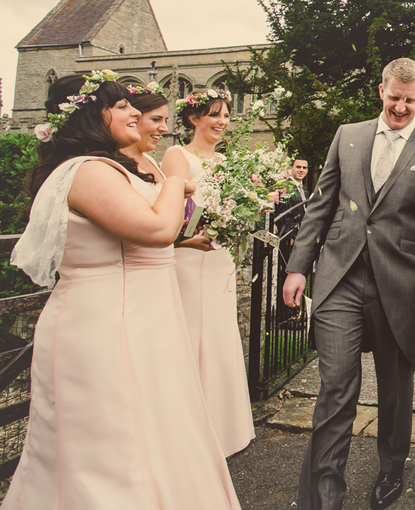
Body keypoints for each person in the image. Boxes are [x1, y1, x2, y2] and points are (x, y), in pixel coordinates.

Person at [6, 73, 240, 509]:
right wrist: (175, 175)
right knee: (110, 453)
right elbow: (156, 228)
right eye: (121, 105)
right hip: (105, 322)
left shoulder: (116, 167)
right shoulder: (85, 172)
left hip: (148, 319)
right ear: (93, 116)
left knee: (156, 436)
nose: (135, 112)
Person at [282, 57, 415, 510]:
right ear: (381, 91)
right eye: (394, 97)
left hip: (397, 284)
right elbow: (321, 204)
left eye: (409, 99)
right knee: (336, 388)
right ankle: (325, 496)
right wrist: (298, 266)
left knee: (394, 389)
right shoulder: (348, 135)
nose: (401, 107)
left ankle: (392, 467)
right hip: (339, 278)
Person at [160, 88, 255, 457]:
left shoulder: (225, 159)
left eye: (227, 116)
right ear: (194, 118)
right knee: (193, 334)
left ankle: (225, 428)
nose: (222, 122)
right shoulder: (176, 155)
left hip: (219, 257)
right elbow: (178, 208)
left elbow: (230, 206)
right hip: (189, 255)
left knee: (219, 334)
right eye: (215, 114)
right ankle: (190, 431)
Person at [275, 158, 310, 244]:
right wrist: (289, 237)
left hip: (303, 235)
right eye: (298, 167)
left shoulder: (305, 190)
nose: (301, 170)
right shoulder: (286, 187)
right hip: (290, 238)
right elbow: (281, 214)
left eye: (304, 168)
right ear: (291, 168)